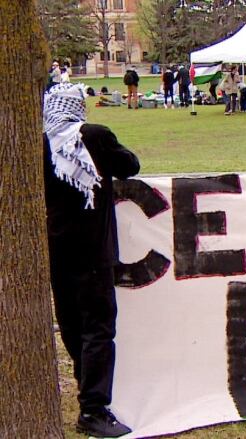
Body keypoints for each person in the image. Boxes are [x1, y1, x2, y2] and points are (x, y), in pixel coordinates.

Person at [42, 83, 140, 438]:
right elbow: (130, 165)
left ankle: (86, 389)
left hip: (56, 249)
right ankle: (93, 409)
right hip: (93, 250)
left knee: (71, 325)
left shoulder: (42, 144)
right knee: (98, 327)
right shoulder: (94, 136)